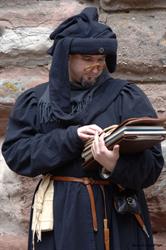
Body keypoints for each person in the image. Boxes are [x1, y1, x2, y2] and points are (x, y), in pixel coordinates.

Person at [2, 7, 164, 250]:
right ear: (65, 58)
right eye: (87, 59)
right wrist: (70, 137)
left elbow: (152, 167)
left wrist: (114, 165)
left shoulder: (126, 97)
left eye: (100, 60)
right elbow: (18, 155)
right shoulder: (36, 100)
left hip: (117, 215)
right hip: (61, 211)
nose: (96, 66)